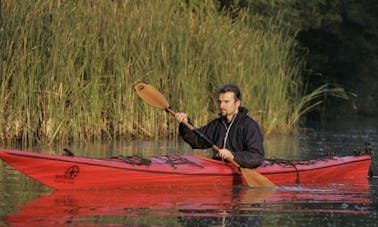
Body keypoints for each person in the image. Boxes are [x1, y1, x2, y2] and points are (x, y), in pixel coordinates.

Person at [175, 84, 264, 168]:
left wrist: (233, 156)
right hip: (218, 168)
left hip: (239, 169)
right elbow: (196, 140)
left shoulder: (249, 126)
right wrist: (185, 123)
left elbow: (257, 156)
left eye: (226, 102)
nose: (221, 106)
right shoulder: (217, 124)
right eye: (220, 102)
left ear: (237, 103)